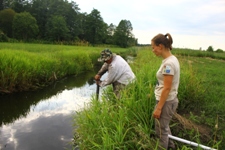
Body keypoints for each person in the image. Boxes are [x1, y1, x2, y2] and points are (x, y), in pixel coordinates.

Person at [151, 33, 180, 150]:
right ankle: (172, 147)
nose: (153, 50)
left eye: (153, 47)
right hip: (167, 101)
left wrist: (159, 108)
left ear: (160, 46)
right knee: (164, 127)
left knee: (161, 131)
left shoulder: (168, 64)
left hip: (166, 102)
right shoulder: (171, 59)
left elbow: (167, 88)